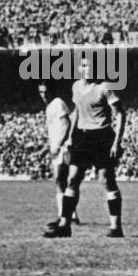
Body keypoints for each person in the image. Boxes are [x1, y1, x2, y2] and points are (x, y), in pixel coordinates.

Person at [43, 55, 127, 238]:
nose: (85, 69)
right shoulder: (76, 86)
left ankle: (116, 227)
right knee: (72, 179)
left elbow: (120, 114)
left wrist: (116, 142)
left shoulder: (105, 87)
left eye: (88, 66)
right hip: (82, 136)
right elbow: (76, 113)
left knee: (106, 180)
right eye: (82, 66)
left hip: (101, 136)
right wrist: (71, 137)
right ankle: (65, 225)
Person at [38, 80, 79, 230]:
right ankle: (70, 215)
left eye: (45, 91)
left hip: (63, 149)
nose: (43, 94)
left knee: (61, 181)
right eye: (41, 91)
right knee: (64, 182)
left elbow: (67, 124)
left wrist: (58, 145)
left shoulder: (57, 103)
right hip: (57, 148)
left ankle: (64, 215)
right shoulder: (50, 106)